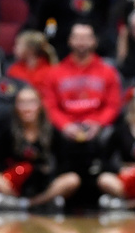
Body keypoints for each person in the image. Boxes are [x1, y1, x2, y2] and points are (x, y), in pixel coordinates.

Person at [39, 22, 123, 201]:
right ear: (70, 41)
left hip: (96, 127)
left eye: (86, 37)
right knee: (51, 133)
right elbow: (49, 106)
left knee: (111, 134)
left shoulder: (108, 72)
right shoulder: (55, 73)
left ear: (94, 41)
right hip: (67, 127)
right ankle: (57, 188)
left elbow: (113, 105)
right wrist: (65, 125)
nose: (81, 42)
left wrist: (98, 124)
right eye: (77, 37)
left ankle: (106, 189)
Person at [0, 86, 81, 212]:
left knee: (72, 179)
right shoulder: (7, 131)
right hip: (15, 183)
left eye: (31, 103)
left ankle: (37, 202)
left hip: (45, 184)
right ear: (16, 107)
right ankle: (20, 201)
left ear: (39, 105)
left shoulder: (52, 131)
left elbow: (64, 162)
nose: (27, 108)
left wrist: (48, 172)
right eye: (22, 103)